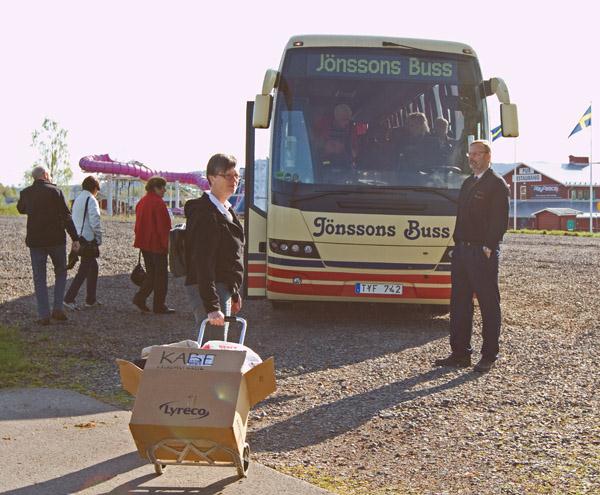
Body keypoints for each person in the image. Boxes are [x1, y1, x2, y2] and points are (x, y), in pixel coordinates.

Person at [434, 140, 509, 372]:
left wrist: (488, 246)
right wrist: (457, 244)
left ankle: (488, 355)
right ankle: (460, 353)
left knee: (488, 303)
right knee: (459, 302)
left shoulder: (496, 184)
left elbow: (500, 220)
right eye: (470, 154)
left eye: (477, 154)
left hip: (482, 252)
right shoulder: (468, 183)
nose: (472, 158)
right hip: (463, 251)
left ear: (488, 156)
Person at [183, 153, 244, 327]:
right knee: (212, 345)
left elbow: (230, 256)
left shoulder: (226, 210)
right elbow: (202, 261)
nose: (234, 180)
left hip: (222, 287)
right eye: (228, 176)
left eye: (236, 176)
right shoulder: (206, 214)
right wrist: (211, 305)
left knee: (218, 345)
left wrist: (233, 292)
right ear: (212, 178)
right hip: (210, 290)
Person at [17, 165, 80, 325]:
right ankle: (57, 308)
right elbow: (67, 216)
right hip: (56, 240)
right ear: (45, 175)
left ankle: (43, 315)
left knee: (39, 278)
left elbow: (21, 209)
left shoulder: (26, 193)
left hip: (35, 241)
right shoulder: (56, 192)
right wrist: (75, 238)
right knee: (60, 272)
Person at [132, 176, 174, 314]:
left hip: (145, 244)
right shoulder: (159, 203)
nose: (165, 191)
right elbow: (163, 228)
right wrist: (167, 245)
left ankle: (141, 298)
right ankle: (158, 305)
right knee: (161, 276)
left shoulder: (142, 202)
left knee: (151, 275)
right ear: (156, 188)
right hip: (157, 245)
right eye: (163, 188)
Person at [63, 176, 103, 310]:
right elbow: (95, 221)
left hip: (79, 238)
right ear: (94, 188)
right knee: (84, 270)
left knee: (93, 267)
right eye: (97, 189)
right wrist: (98, 238)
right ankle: (69, 298)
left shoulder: (78, 199)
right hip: (88, 239)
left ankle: (91, 299)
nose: (97, 192)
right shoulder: (91, 200)